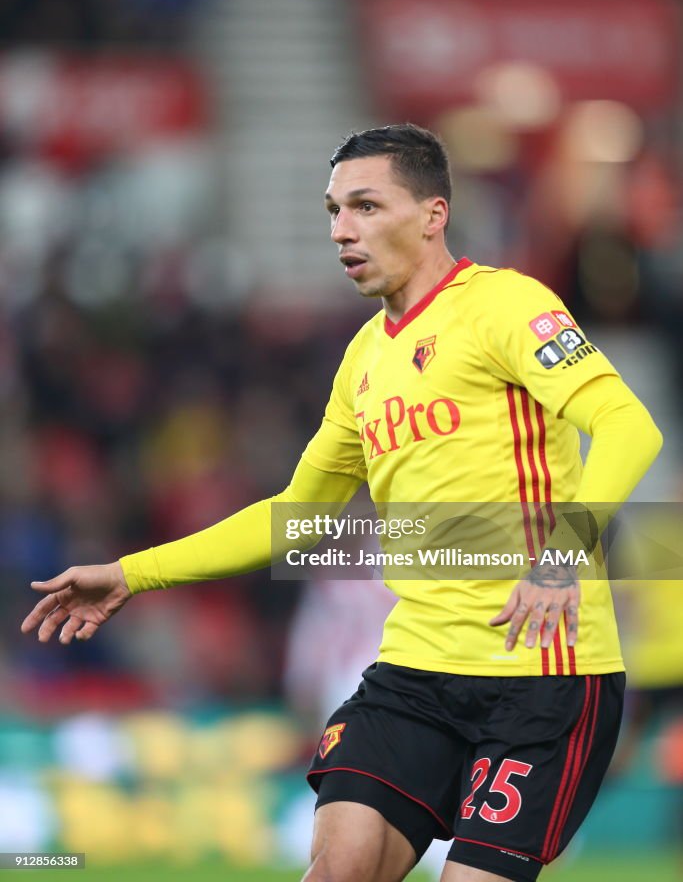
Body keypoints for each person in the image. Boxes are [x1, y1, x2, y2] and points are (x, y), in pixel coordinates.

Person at [22, 124, 662, 882]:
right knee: (336, 870)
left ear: (432, 213)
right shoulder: (363, 359)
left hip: (543, 678)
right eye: (332, 211)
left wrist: (559, 556)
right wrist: (133, 573)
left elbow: (627, 426)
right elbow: (297, 515)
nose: (340, 230)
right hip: (415, 674)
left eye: (364, 206)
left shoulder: (507, 306)